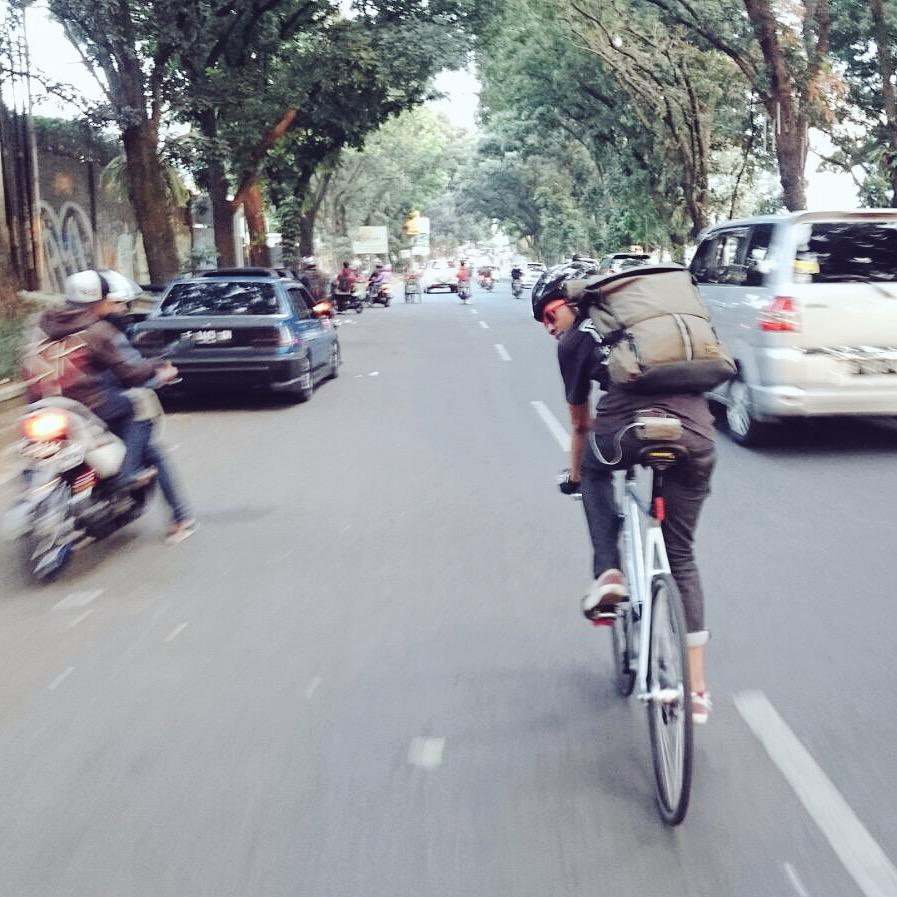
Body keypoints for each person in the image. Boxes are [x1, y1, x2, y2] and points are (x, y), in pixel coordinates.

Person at [533, 269, 716, 724]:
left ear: (573, 305)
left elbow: (580, 424)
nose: (548, 326)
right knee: (682, 557)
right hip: (695, 436)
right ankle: (696, 690)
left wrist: (574, 475)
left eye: (550, 314)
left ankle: (610, 573)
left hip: (625, 433)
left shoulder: (576, 341)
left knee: (595, 471)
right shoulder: (660, 327)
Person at [24, 270, 196, 544]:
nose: (121, 308)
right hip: (90, 408)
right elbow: (131, 373)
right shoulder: (97, 329)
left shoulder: (43, 325)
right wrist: (159, 369)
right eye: (114, 301)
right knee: (142, 415)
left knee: (35, 454)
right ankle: (148, 491)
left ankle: (36, 493)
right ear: (100, 300)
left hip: (41, 407)